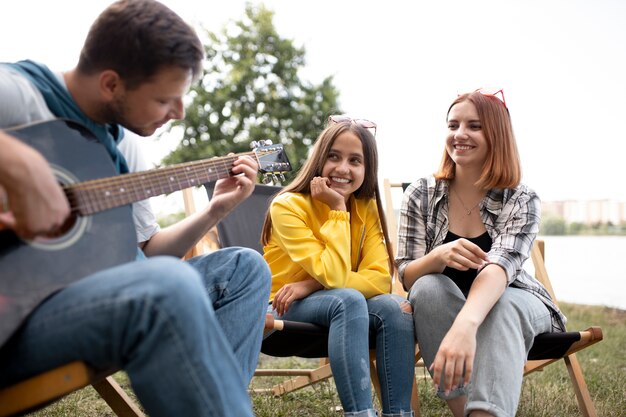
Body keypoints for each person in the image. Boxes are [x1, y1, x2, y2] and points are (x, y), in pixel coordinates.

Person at [0, 1, 271, 416]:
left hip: (97, 298)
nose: (178, 113)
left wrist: (216, 209)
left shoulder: (125, 144)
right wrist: (18, 163)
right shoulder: (21, 96)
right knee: (162, 288)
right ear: (111, 84)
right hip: (15, 319)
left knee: (244, 269)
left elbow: (147, 256)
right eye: (165, 100)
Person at [395, 89, 567, 417]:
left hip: (515, 301)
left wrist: (465, 325)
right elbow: (406, 274)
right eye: (453, 125)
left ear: (496, 135)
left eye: (474, 126)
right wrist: (439, 256)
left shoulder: (520, 198)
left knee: (502, 304)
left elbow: (499, 268)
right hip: (444, 305)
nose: (460, 134)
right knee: (427, 288)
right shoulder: (421, 193)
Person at [261, 116, 416, 417]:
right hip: (280, 307)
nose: (343, 168)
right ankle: (360, 414)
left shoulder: (366, 206)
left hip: (331, 301)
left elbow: (380, 280)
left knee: (396, 308)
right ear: (320, 159)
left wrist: (310, 284)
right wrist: (337, 209)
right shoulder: (288, 206)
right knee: (348, 299)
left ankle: (399, 414)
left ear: (367, 169)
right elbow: (333, 275)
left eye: (355, 160)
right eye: (334, 156)